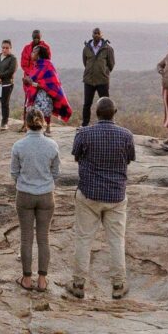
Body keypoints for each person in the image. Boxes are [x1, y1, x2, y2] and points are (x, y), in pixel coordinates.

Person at [68, 97, 135, 300]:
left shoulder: (84, 134)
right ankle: (118, 285)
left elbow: (76, 156)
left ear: (96, 113)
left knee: (83, 239)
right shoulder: (126, 135)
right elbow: (129, 159)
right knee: (116, 240)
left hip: (89, 193)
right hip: (116, 195)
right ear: (115, 113)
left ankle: (78, 284)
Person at [11, 109, 60, 291]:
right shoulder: (52, 145)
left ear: (26, 123)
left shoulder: (18, 145)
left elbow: (14, 172)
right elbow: (56, 173)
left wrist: (24, 183)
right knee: (43, 238)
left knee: (26, 238)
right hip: (46, 195)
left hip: (24, 194)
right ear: (42, 123)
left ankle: (26, 279)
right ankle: (42, 280)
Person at [23, 45, 72, 133]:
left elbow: (50, 84)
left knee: (43, 111)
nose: (31, 53)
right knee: (33, 112)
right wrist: (26, 80)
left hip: (45, 94)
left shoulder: (48, 65)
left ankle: (47, 127)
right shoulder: (36, 65)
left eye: (34, 52)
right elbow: (32, 79)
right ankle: (36, 129)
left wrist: (32, 83)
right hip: (34, 95)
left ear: (39, 54)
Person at [81, 27, 115, 127]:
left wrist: (104, 72)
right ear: (92, 35)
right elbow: (85, 62)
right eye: (94, 33)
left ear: (101, 35)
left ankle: (108, 124)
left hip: (102, 80)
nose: (96, 35)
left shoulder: (108, 49)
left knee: (106, 104)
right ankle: (84, 125)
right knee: (87, 104)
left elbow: (111, 64)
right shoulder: (86, 48)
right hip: (89, 80)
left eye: (98, 33)